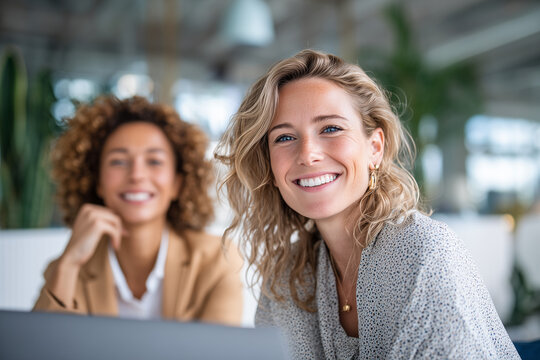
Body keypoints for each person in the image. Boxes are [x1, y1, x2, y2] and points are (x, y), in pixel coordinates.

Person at [215, 50, 520, 358]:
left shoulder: (424, 252)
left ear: (374, 148)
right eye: (284, 138)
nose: (307, 154)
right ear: (270, 167)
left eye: (331, 128)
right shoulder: (285, 281)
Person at [33, 95, 243, 326]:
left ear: (177, 184)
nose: (136, 175)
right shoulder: (66, 269)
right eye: (118, 161)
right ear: (98, 182)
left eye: (154, 161)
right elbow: (38, 348)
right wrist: (69, 262)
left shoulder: (216, 260)